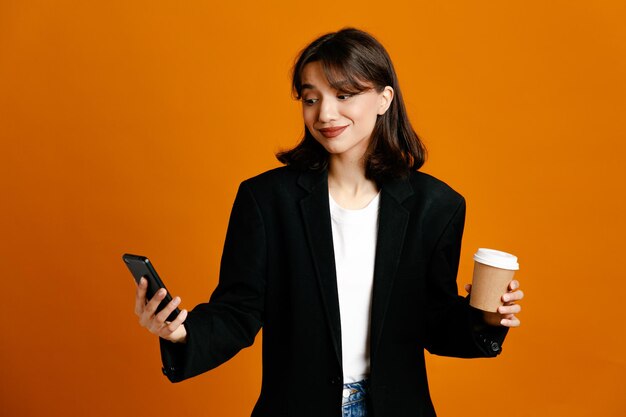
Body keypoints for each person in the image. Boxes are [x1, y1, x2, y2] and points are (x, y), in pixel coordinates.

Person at [134, 27, 524, 417]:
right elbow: (238, 310)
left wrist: (487, 316)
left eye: (344, 95)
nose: (325, 114)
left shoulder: (436, 206)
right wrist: (181, 332)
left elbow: (434, 324)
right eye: (310, 98)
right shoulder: (267, 200)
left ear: (384, 99)